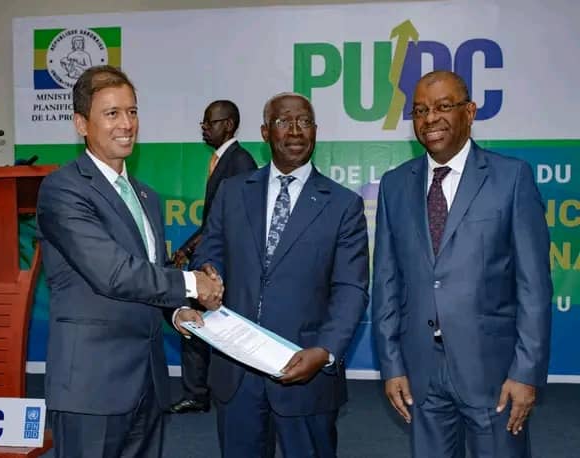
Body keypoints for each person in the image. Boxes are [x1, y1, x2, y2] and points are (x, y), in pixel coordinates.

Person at [36, 65, 223, 458]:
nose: (126, 124)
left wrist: (176, 313)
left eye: (132, 112)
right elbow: (114, 273)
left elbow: (151, 273)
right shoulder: (63, 189)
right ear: (81, 124)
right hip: (91, 386)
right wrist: (193, 284)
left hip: (148, 383)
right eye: (112, 113)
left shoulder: (147, 196)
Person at [372, 70, 552, 457]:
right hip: (421, 370)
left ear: (469, 112)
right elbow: (386, 282)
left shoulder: (511, 178)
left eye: (443, 107)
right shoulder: (394, 185)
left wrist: (526, 372)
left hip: (494, 372)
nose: (430, 119)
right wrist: (391, 364)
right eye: (420, 110)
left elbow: (534, 287)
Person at [191, 92, 369, 457]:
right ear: (265, 132)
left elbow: (351, 288)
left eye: (304, 122)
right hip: (237, 373)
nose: (295, 131)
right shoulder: (232, 192)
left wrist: (325, 350)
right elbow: (210, 251)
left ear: (315, 130)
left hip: (306, 371)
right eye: (284, 122)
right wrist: (208, 271)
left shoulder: (343, 204)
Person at [170, 100, 258, 414]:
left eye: (211, 122)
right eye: (204, 123)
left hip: (224, 264)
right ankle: (199, 392)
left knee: (203, 322)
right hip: (211, 256)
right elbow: (213, 221)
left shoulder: (241, 162)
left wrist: (193, 250)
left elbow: (234, 221)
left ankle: (202, 393)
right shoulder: (224, 160)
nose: (204, 128)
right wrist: (187, 248)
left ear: (229, 125)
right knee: (193, 321)